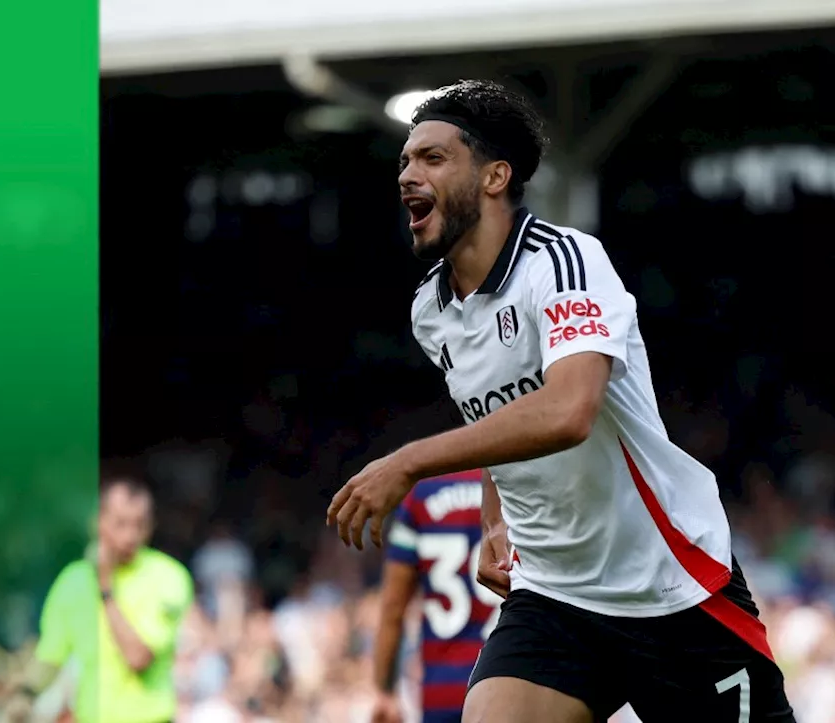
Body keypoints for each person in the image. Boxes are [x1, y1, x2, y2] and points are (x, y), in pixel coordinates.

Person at [328, 79, 794, 723]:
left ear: (495, 177)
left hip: (667, 586)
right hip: (553, 595)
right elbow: (493, 415)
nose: (407, 174)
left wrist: (408, 461)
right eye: (405, 160)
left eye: (433, 158)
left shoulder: (565, 261)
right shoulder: (430, 310)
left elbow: (567, 410)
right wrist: (495, 514)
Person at [13, 477, 194, 723]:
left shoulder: (168, 576)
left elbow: (138, 657)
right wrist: (23, 696)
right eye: (120, 524)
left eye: (139, 524)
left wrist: (105, 587)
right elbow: (51, 656)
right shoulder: (73, 579)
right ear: (97, 522)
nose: (130, 535)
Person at [370, 469, 503, 723]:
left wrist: (384, 692)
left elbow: (392, 609)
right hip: (508, 683)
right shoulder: (516, 486)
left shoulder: (422, 496)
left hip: (442, 691)